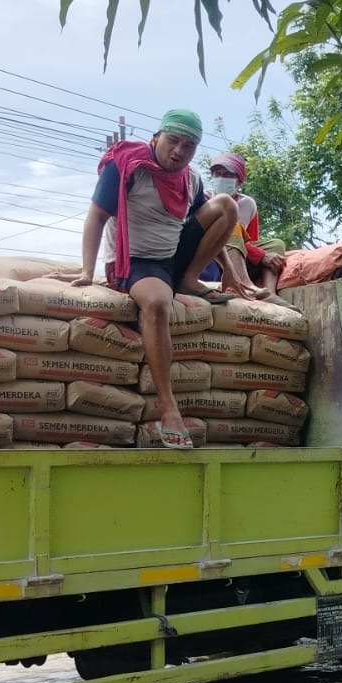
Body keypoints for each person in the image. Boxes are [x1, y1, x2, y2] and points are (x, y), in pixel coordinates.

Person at [75, 108, 237, 448]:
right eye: (173, 141)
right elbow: (96, 216)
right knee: (157, 303)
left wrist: (233, 276)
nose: (178, 151)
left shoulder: (191, 180)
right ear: (156, 138)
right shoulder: (127, 166)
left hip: (171, 259)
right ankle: (168, 406)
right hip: (134, 262)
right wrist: (86, 271)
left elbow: (205, 225)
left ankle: (189, 279)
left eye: (189, 146)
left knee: (226, 206)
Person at [200, 152, 288, 301]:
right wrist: (261, 256)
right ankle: (243, 285)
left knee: (277, 244)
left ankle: (269, 293)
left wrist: (261, 255)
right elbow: (207, 234)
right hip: (211, 256)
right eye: (217, 174)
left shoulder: (248, 204)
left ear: (239, 182)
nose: (221, 178)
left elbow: (250, 240)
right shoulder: (204, 199)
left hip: (239, 257)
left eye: (227, 175)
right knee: (230, 225)